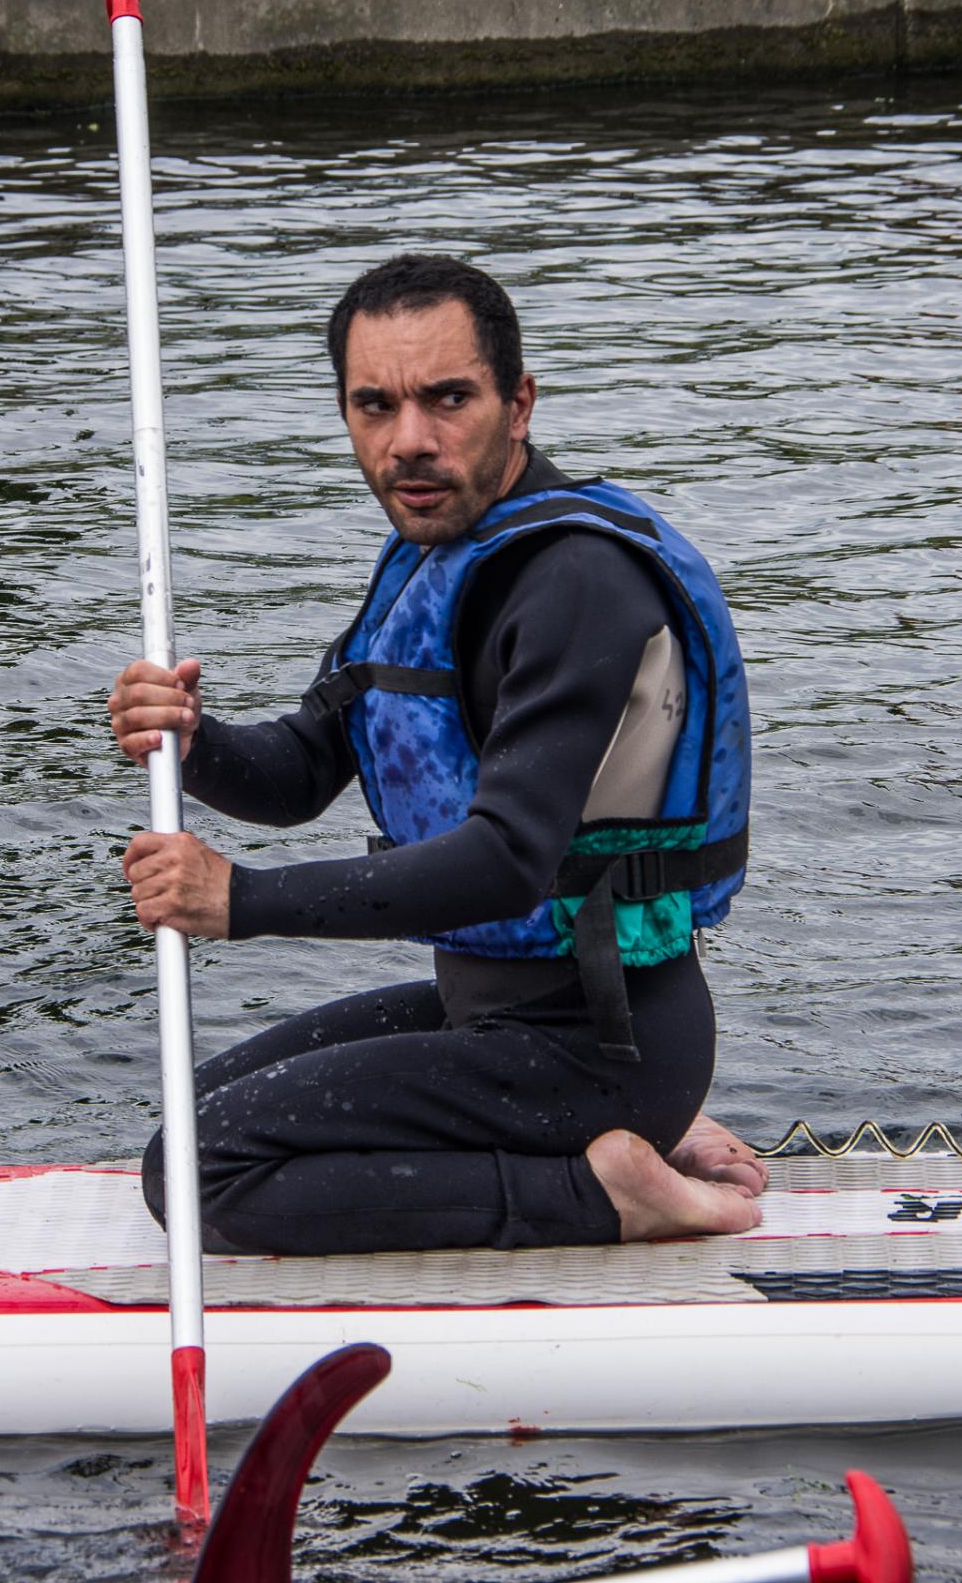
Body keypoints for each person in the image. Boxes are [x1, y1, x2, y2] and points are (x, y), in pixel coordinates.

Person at [108, 254, 767, 1257]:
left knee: (194, 1175)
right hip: (498, 1015)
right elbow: (299, 772)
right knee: (192, 1113)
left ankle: (605, 1193)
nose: (408, 440)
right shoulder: (433, 556)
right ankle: (628, 1138)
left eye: (447, 399)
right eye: (374, 405)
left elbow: (508, 863)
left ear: (519, 403)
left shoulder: (576, 582)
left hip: (596, 1041)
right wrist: (191, 741)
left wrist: (240, 900)